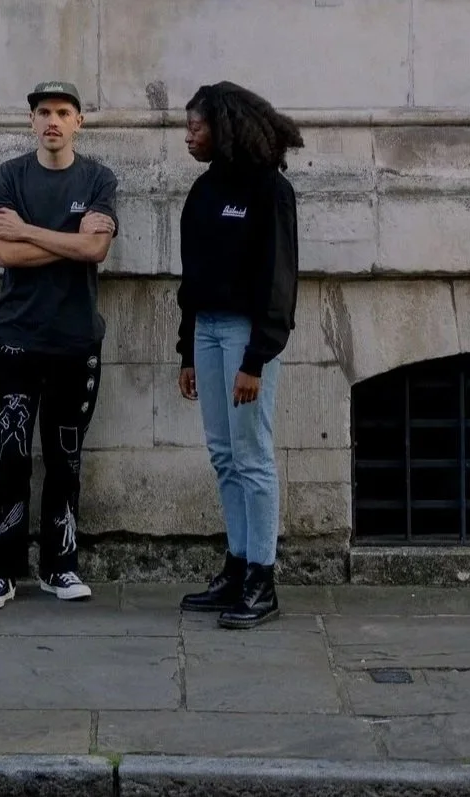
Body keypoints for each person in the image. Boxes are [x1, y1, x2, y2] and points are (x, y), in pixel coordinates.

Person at [0, 81, 119, 609]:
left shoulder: (98, 177)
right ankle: (2, 572)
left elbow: (96, 249)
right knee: (11, 458)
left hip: (76, 341)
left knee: (65, 460)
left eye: (63, 112)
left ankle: (61, 566)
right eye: (43, 112)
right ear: (31, 121)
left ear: (78, 121)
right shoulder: (9, 175)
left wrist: (31, 232)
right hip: (18, 338)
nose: (52, 120)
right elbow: (6, 256)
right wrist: (70, 241)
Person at [174, 81, 301, 628]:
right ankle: (237, 564)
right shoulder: (203, 192)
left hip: (247, 336)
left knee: (252, 456)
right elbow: (192, 278)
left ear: (222, 128)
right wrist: (186, 348)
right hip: (206, 332)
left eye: (195, 127)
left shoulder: (269, 192)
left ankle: (261, 581)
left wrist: (256, 359)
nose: (187, 137)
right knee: (224, 454)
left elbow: (279, 283)